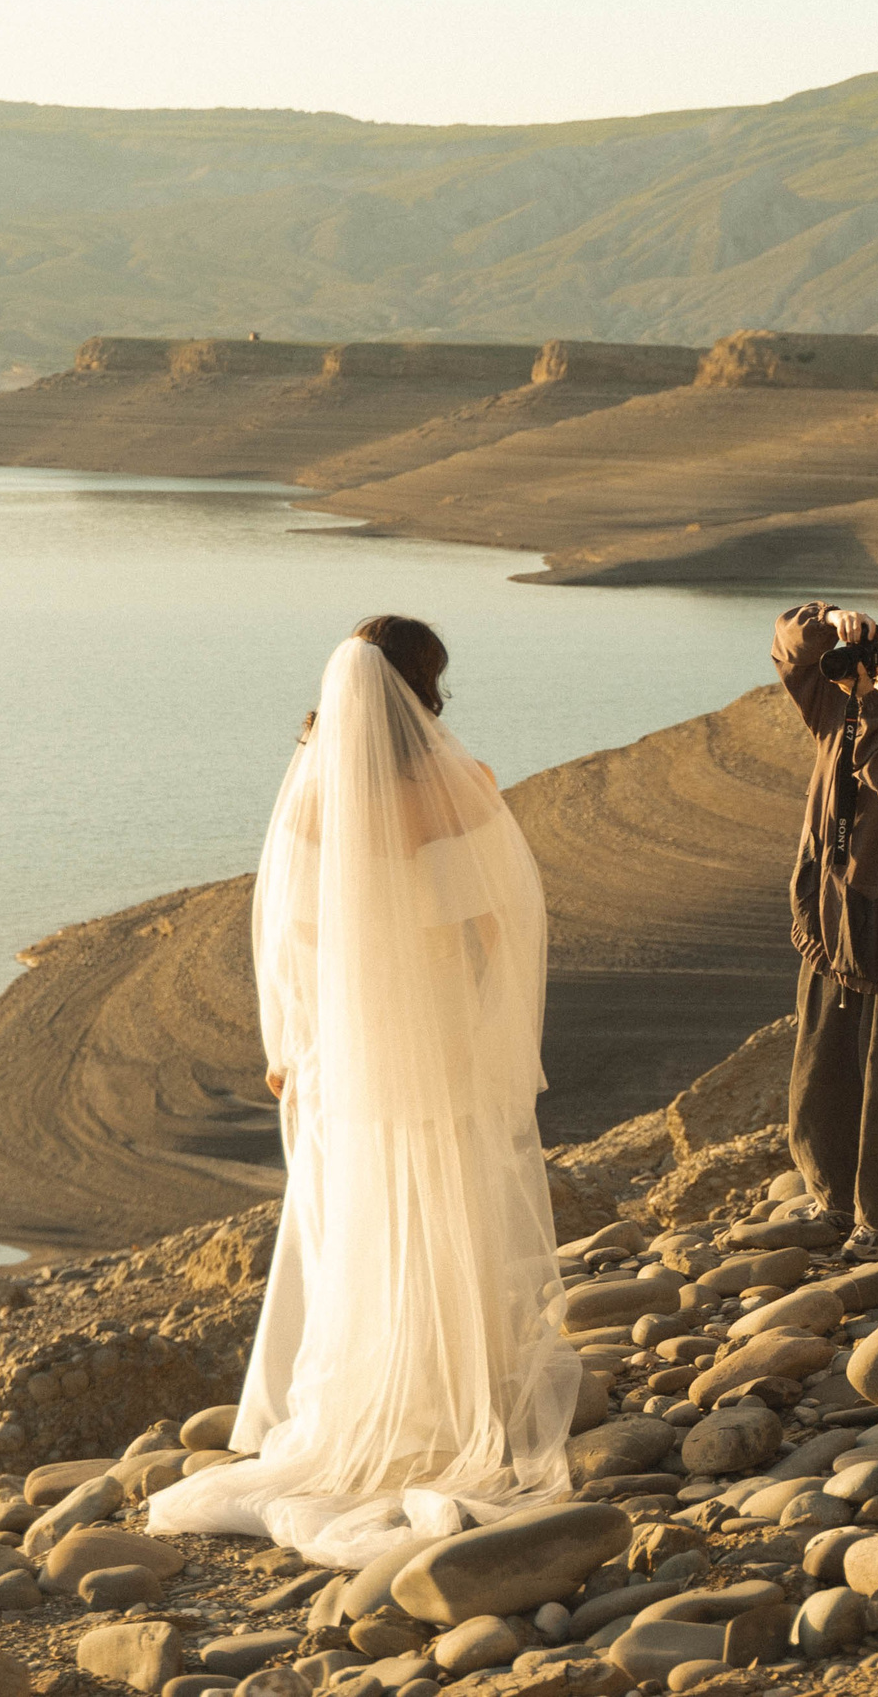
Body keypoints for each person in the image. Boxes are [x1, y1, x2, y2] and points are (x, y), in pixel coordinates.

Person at [147, 617, 573, 1567]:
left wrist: (295, 1044)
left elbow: (289, 939)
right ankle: (462, 1394)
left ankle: (365, 1394)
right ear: (426, 686)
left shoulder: (309, 802)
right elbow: (496, 928)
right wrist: (477, 1023)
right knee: (449, 1204)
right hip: (438, 1038)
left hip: (347, 1048)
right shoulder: (462, 788)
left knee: (362, 1218)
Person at [769, 603, 878, 1262]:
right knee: (821, 1075)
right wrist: (834, 624)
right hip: (834, 921)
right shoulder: (835, 711)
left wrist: (873, 701)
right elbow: (790, 649)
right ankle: (831, 1200)